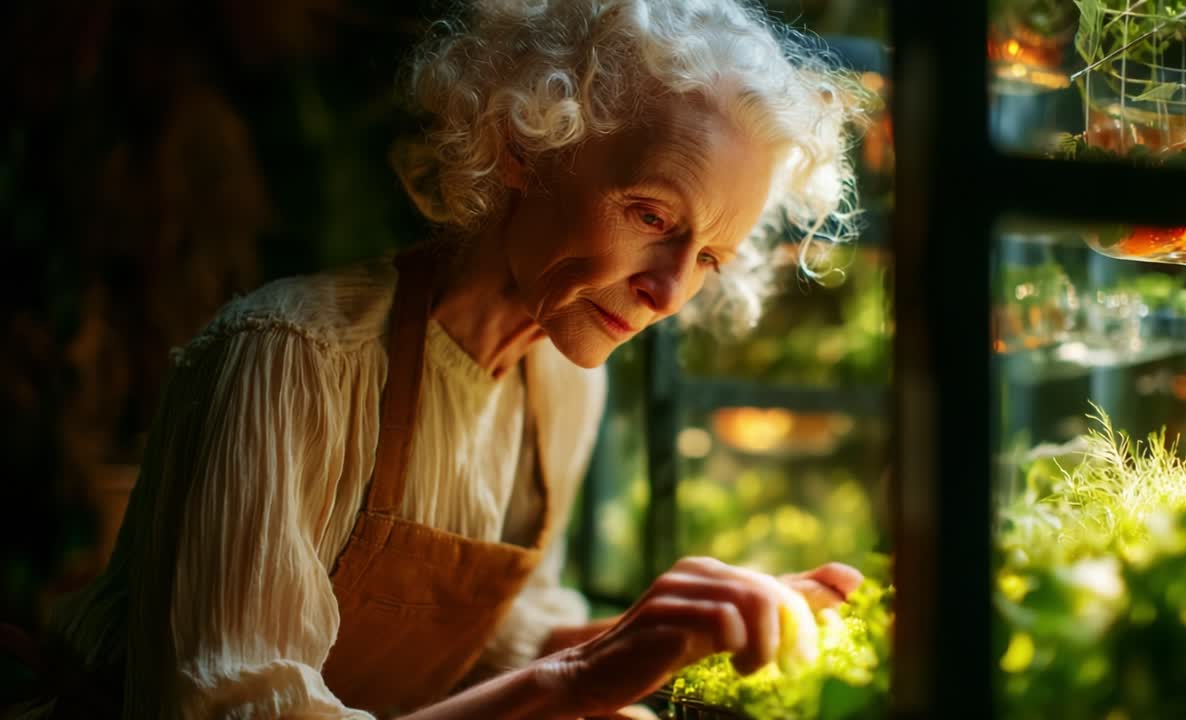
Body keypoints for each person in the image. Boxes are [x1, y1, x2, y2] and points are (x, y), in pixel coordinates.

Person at [10, 0, 871, 717]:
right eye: (651, 216)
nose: (671, 292)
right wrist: (575, 681)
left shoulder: (562, 390)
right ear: (522, 147)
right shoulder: (288, 359)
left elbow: (498, 649)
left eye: (709, 256)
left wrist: (669, 641)